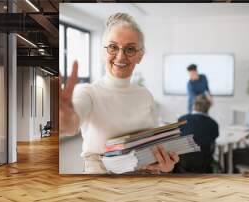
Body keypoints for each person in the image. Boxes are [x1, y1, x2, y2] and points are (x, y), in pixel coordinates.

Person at [59, 13, 179, 174]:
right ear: (103, 52)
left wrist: (166, 165)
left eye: (130, 49)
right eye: (113, 47)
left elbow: (154, 149)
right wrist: (64, 119)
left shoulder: (145, 95)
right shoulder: (88, 93)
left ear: (140, 56)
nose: (121, 56)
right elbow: (70, 125)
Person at [174, 95, 219, 173]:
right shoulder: (213, 124)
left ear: (193, 105)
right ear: (208, 108)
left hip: (181, 164)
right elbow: (213, 140)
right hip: (203, 165)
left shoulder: (181, 120)